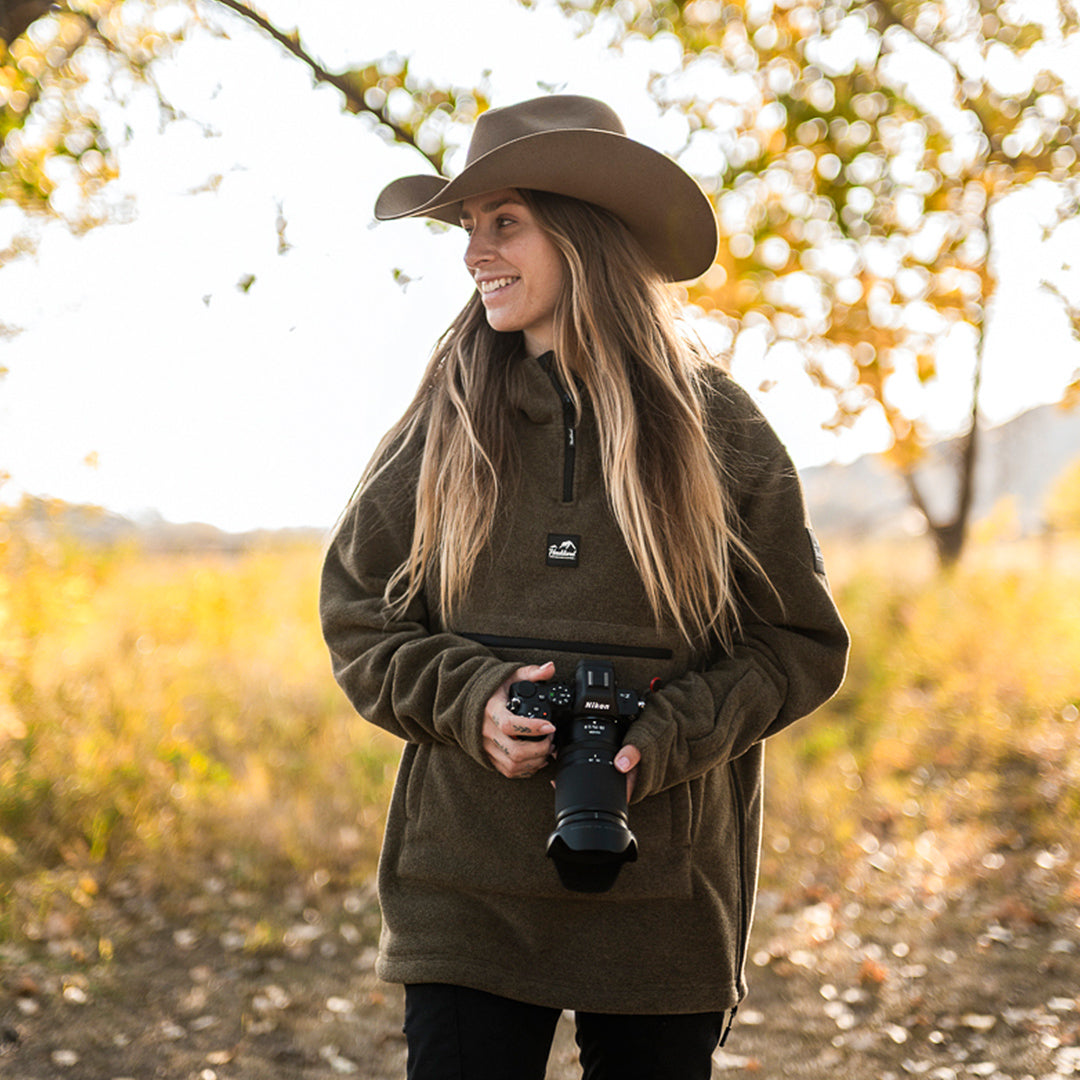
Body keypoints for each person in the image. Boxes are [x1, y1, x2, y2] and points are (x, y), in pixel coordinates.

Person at [320, 95, 849, 1080]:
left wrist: (665, 737)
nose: (476, 252)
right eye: (470, 230)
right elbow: (358, 617)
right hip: (465, 897)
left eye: (504, 223)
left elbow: (798, 645)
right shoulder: (443, 424)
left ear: (584, 232)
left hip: (663, 909)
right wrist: (472, 700)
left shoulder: (716, 426)